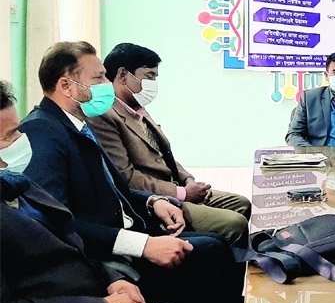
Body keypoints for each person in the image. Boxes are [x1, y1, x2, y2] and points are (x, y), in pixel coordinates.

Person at [17, 42, 243, 303]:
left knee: (216, 244)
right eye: (98, 78)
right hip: (103, 259)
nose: (106, 84)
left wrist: (152, 201)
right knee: (210, 253)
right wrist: (144, 245)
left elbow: (115, 188)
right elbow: (58, 223)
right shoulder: (43, 132)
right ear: (66, 85)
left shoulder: (77, 124)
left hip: (130, 233)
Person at [87, 43, 250, 245]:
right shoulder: (104, 116)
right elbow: (125, 177)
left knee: (241, 204)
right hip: (156, 201)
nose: (153, 83)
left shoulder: (138, 109)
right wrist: (181, 193)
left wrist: (189, 181)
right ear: (122, 75)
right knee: (234, 222)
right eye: (149, 76)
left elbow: (165, 156)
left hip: (177, 187)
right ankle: (229, 275)